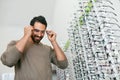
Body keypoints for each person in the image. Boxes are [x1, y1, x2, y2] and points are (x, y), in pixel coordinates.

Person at [1, 15, 68, 80]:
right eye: (36, 30)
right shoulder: (16, 44)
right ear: (30, 29)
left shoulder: (47, 49)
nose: (39, 35)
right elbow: (8, 62)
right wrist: (26, 35)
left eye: (42, 32)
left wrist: (53, 42)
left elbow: (64, 64)